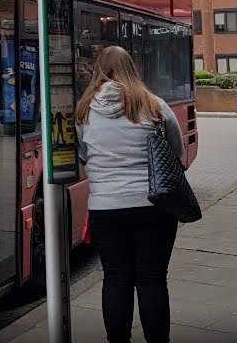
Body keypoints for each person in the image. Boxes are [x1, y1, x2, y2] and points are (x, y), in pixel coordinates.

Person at [75, 46, 184, 343]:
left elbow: (83, 154)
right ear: (131, 68)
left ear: (99, 69)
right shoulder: (153, 105)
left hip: (106, 208)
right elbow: (176, 152)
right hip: (153, 206)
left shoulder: (84, 110)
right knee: (151, 279)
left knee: (116, 278)